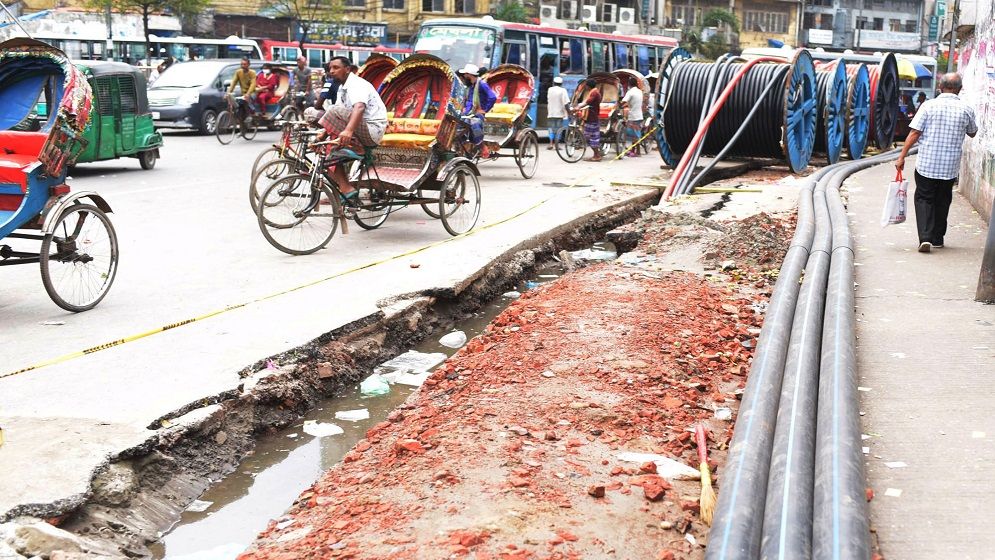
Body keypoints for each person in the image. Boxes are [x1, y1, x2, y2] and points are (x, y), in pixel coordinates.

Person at [896, 72, 978, 253]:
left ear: (940, 87)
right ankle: (938, 238)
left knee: (924, 198)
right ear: (960, 89)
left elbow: (914, 133)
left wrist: (901, 156)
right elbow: (972, 132)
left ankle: (925, 238)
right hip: (950, 166)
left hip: (927, 163)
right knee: (943, 199)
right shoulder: (966, 109)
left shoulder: (928, 106)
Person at [313, 56, 388, 206]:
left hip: (372, 130)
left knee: (333, 109)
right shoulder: (342, 87)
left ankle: (358, 148)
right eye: (330, 68)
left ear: (347, 69)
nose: (331, 71)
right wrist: (324, 135)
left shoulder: (357, 84)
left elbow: (359, 107)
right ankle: (346, 189)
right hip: (360, 128)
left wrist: (347, 131)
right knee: (329, 152)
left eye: (336, 68)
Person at [458, 63, 497, 158]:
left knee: (472, 123)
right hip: (467, 112)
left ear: (469, 75)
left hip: (477, 114)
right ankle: (461, 147)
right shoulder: (470, 86)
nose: (464, 76)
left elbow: (492, 97)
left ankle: (482, 146)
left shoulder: (482, 84)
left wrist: (485, 110)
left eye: (465, 74)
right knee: (455, 125)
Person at [574, 78, 603, 162]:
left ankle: (597, 155)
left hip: (592, 117)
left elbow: (587, 102)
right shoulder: (594, 91)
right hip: (591, 117)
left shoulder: (594, 92)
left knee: (590, 137)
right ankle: (596, 154)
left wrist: (578, 107)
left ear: (588, 86)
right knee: (590, 137)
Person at [620, 76, 644, 157]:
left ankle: (638, 152)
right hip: (639, 115)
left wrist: (619, 105)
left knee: (634, 134)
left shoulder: (630, 92)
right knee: (635, 133)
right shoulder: (639, 91)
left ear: (629, 84)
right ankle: (633, 150)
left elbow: (624, 101)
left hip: (633, 116)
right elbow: (634, 102)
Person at [546, 76, 570, 150]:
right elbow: (566, 103)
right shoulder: (563, 90)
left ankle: (551, 143)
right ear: (561, 84)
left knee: (551, 128)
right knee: (558, 129)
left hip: (551, 112)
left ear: (554, 83)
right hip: (559, 113)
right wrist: (569, 111)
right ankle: (557, 145)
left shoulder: (550, 89)